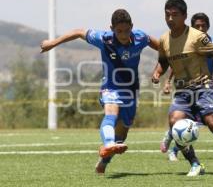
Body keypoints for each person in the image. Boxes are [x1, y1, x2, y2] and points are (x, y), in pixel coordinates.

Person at [40, 9, 159, 175]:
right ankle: (108, 143)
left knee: (122, 135)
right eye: (119, 31)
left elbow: (163, 49)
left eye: (127, 30)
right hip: (110, 86)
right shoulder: (104, 39)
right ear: (112, 28)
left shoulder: (141, 37)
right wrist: (53, 43)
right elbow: (78, 32)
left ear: (132, 26)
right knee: (111, 114)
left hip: (131, 90)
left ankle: (104, 160)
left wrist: (158, 70)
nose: (124, 35)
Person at [152, 0, 213, 176]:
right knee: (174, 122)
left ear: (184, 16)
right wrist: (157, 73)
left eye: (175, 15)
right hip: (182, 91)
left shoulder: (197, 37)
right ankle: (195, 164)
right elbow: (163, 61)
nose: (170, 19)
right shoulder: (164, 40)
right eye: (167, 15)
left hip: (203, 87)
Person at [163, 12, 213, 162]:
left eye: (203, 25)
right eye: (197, 26)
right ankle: (173, 145)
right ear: (192, 27)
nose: (200, 28)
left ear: (208, 26)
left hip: (206, 88)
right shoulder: (187, 43)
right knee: (189, 121)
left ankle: (172, 135)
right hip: (188, 88)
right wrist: (167, 81)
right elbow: (174, 64)